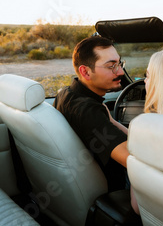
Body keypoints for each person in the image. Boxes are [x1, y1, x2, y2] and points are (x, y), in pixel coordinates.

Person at [53, 36, 130, 192]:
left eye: (119, 63)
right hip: (117, 189)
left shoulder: (65, 94)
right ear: (86, 72)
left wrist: (112, 122)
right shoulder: (89, 111)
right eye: (111, 66)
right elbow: (134, 161)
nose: (121, 71)